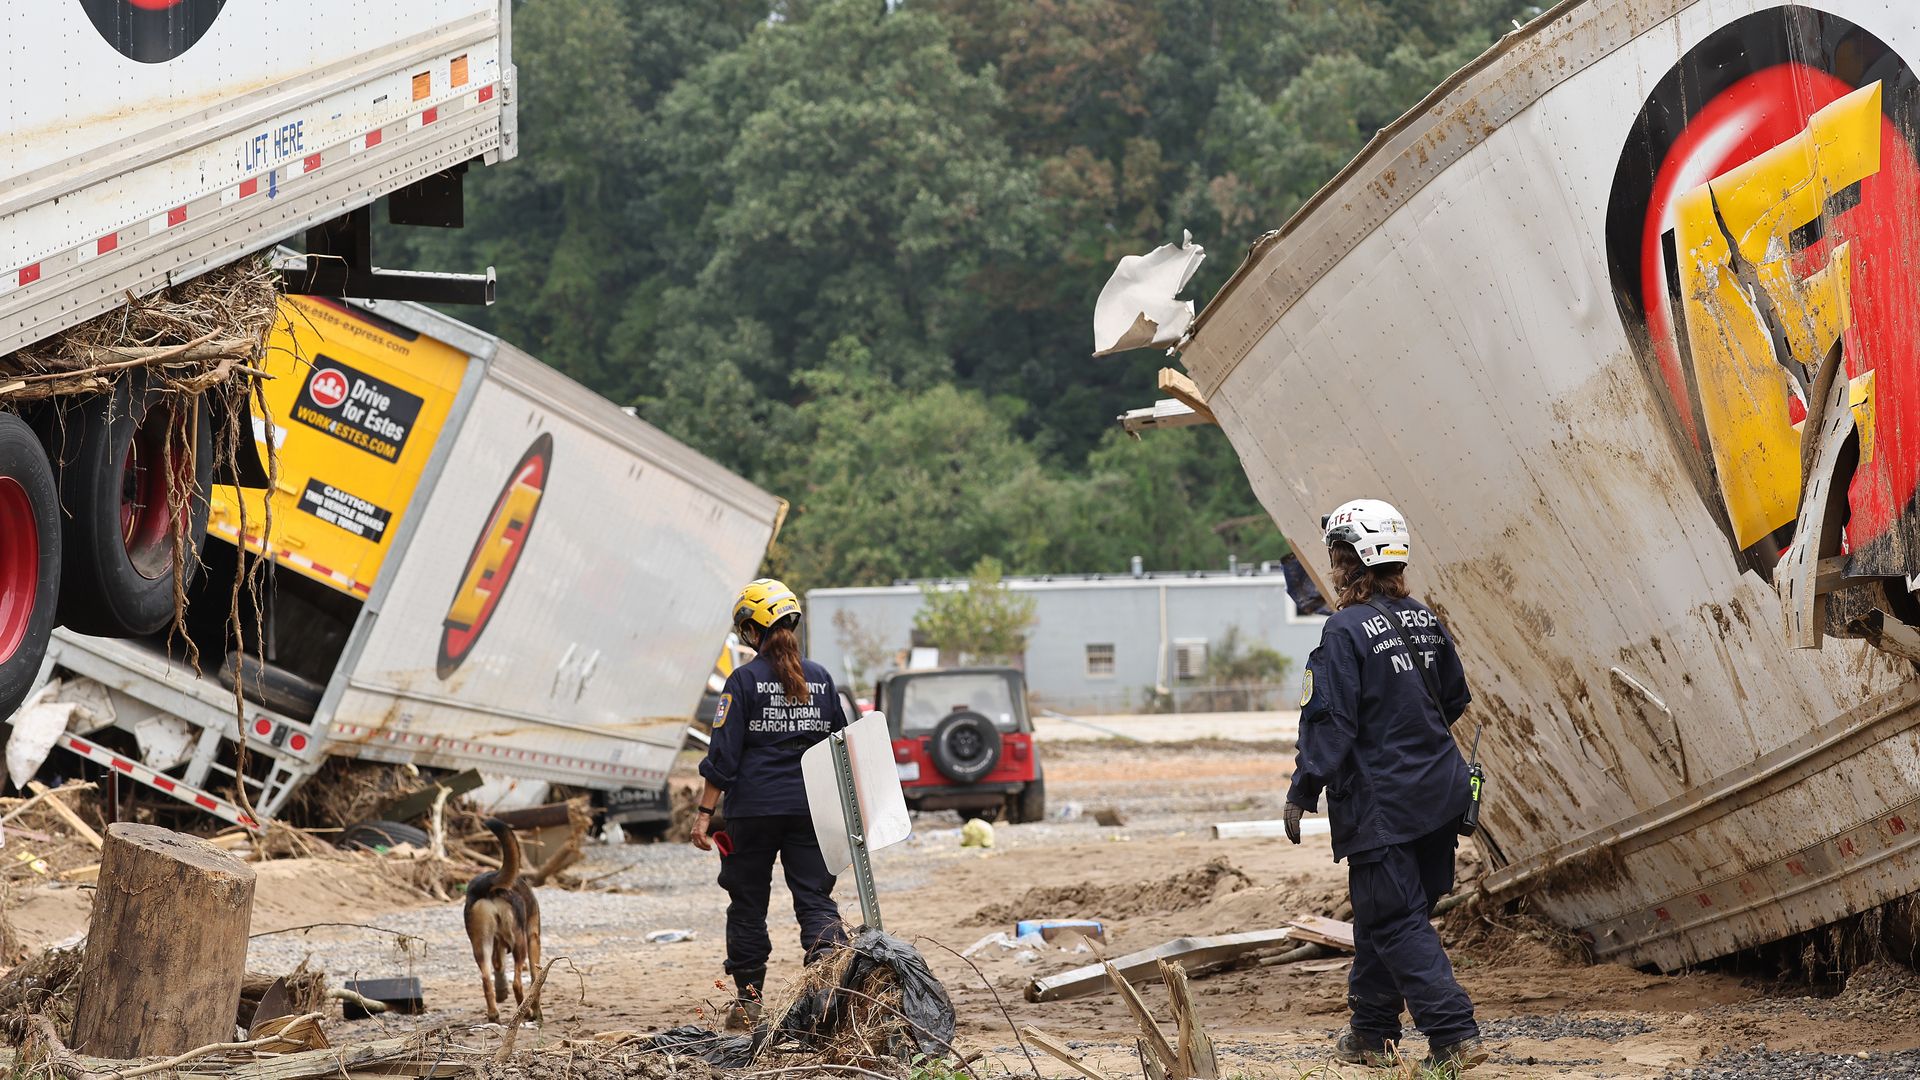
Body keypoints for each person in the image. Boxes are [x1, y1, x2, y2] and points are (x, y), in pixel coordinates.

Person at [1283, 499, 1485, 1074]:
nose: (1333, 565)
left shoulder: (1343, 630)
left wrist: (1303, 791)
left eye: (1336, 555)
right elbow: (1452, 700)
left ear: (1353, 562)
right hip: (1440, 796)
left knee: (1395, 919)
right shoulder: (1423, 616)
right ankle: (1371, 1033)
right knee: (1386, 915)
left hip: (1385, 808)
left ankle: (1454, 1035)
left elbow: (1331, 723)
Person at [692, 578, 850, 1029]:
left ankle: (747, 1006)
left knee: (747, 905)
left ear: (753, 629)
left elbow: (723, 755)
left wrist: (704, 814)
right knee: (815, 901)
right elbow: (839, 746)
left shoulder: (743, 680)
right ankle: (828, 1001)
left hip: (752, 812)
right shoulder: (820, 679)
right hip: (810, 811)